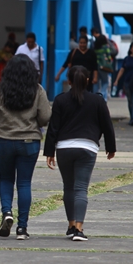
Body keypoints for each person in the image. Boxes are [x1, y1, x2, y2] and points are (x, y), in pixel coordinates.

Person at [0, 55, 51, 240]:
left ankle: (7, 212)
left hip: (3, 141)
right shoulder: (37, 90)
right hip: (29, 142)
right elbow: (44, 117)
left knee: (6, 180)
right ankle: (22, 228)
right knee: (24, 183)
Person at [45, 66, 116, 242]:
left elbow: (53, 128)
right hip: (88, 147)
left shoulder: (60, 100)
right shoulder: (97, 101)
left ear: (68, 81)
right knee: (81, 188)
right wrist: (111, 147)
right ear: (88, 80)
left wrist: (49, 152)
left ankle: (70, 225)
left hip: (64, 148)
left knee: (68, 187)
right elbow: (107, 125)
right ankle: (79, 228)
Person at [92, 29, 111, 101]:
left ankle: (94, 96)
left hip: (96, 66)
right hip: (103, 66)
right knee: (105, 81)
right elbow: (109, 56)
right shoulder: (105, 47)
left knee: (96, 81)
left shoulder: (95, 47)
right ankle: (102, 96)